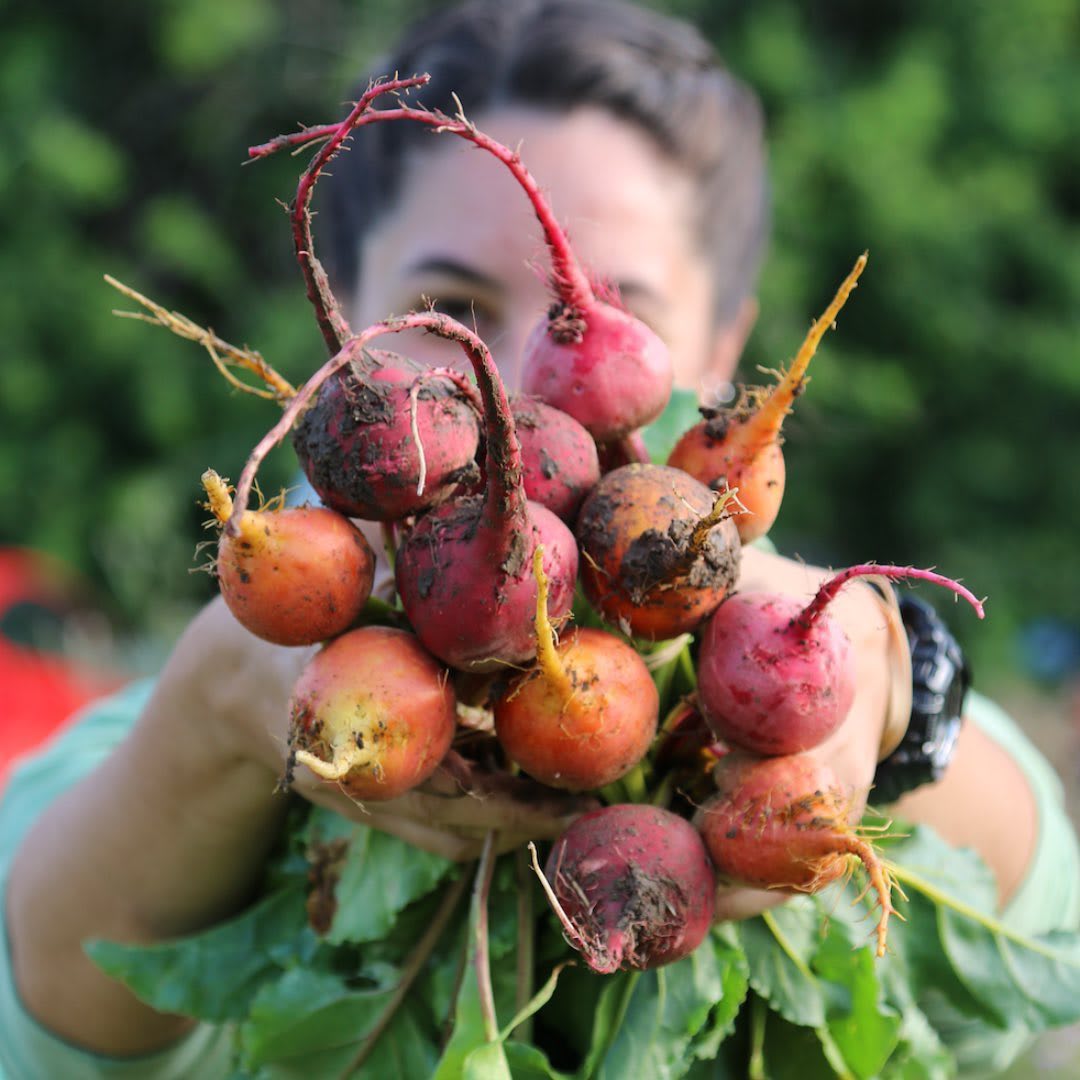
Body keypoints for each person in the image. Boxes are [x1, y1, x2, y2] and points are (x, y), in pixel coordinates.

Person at [1, 1, 1076, 1076]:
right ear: (348, 308)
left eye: (609, 304)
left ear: (722, 345)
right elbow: (43, 1010)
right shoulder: (221, 700)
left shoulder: (779, 601)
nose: (512, 375)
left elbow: (1052, 931)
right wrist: (210, 711)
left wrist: (899, 686)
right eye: (448, 303)